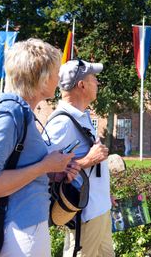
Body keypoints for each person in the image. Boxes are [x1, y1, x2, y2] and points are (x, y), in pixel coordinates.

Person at [0, 39, 78, 257]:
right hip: (17, 233)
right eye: (56, 72)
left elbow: (16, 166)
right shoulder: (9, 113)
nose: (59, 79)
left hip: (25, 228)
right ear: (43, 77)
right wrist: (43, 166)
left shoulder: (20, 112)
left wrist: (51, 172)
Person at [44, 59, 114, 257]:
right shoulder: (61, 123)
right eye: (94, 79)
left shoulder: (81, 117)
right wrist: (87, 161)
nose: (98, 83)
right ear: (81, 85)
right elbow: (43, 169)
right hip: (85, 215)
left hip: (99, 207)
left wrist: (103, 192)